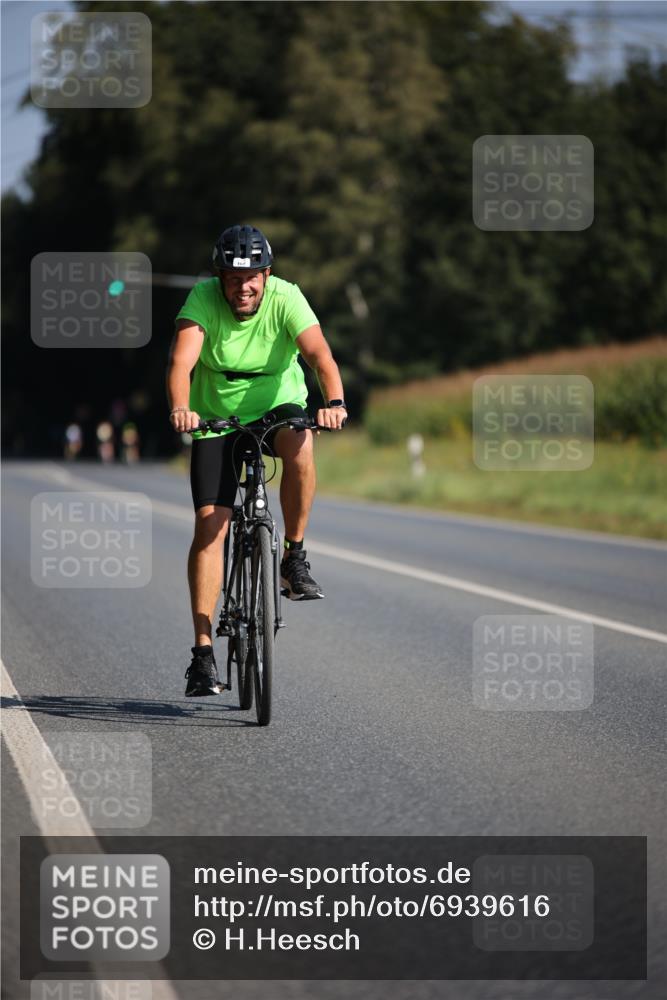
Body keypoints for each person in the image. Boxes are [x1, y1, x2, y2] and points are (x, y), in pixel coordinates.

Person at [167, 225, 347, 697]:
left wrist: (336, 401)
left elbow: (318, 354)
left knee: (302, 443)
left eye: (252, 278)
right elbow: (181, 363)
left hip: (277, 406)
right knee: (211, 524)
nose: (242, 287)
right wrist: (181, 408)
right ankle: (203, 655)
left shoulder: (287, 297)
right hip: (215, 417)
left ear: (267, 275)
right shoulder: (202, 300)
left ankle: (294, 557)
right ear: (219, 277)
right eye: (232, 278)